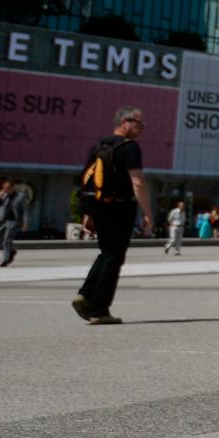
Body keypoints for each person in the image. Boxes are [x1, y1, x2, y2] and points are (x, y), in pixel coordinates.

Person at [73, 107, 151, 325]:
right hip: (120, 208)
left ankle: (86, 294)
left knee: (107, 252)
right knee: (115, 256)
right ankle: (99, 310)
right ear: (124, 122)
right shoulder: (129, 147)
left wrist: (87, 212)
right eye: (139, 123)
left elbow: (86, 181)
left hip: (98, 207)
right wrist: (148, 213)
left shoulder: (98, 147)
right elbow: (138, 182)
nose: (142, 128)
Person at [0, 179, 27, 266]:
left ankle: (6, 260)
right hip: (3, 220)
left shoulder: (20, 196)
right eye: (4, 188)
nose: (5, 190)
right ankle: (11, 251)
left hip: (14, 220)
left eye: (7, 188)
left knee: (7, 240)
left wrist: (25, 222)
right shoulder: (4, 196)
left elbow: (25, 210)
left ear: (12, 188)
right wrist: (0, 197)